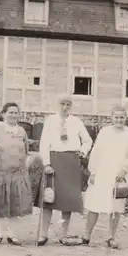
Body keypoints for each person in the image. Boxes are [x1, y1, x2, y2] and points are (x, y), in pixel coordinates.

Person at [37, 94, 92, 246]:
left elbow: (88, 140)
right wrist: (46, 163)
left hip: (71, 162)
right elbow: (44, 144)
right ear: (57, 104)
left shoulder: (76, 121)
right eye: (62, 103)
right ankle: (43, 234)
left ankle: (63, 234)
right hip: (54, 160)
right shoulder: (50, 121)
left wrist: (82, 151)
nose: (65, 107)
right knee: (49, 198)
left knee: (67, 200)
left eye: (68, 104)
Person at [82, 105, 128, 248]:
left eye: (122, 117)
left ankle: (111, 237)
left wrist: (125, 169)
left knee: (116, 207)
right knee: (94, 204)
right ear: (112, 118)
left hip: (120, 175)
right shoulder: (104, 132)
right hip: (103, 172)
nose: (119, 120)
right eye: (116, 117)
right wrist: (93, 172)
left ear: (126, 118)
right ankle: (87, 235)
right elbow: (96, 152)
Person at [0, 102, 33, 246]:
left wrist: (25, 166)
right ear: (4, 113)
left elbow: (26, 151)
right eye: (10, 112)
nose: (13, 115)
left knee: (15, 204)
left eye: (16, 112)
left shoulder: (22, 131)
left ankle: (12, 234)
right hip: (0, 172)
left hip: (17, 173)